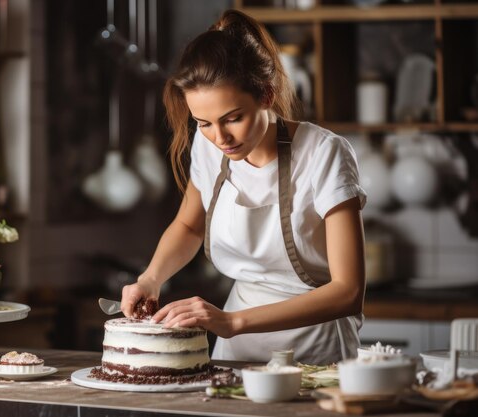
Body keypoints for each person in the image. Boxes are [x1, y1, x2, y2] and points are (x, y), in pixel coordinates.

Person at [120, 9, 367, 365]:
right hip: (237, 348)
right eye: (203, 123)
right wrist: (150, 278)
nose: (220, 138)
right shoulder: (209, 148)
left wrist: (231, 321)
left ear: (266, 95)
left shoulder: (324, 153)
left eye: (233, 118)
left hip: (317, 350)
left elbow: (348, 292)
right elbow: (189, 225)